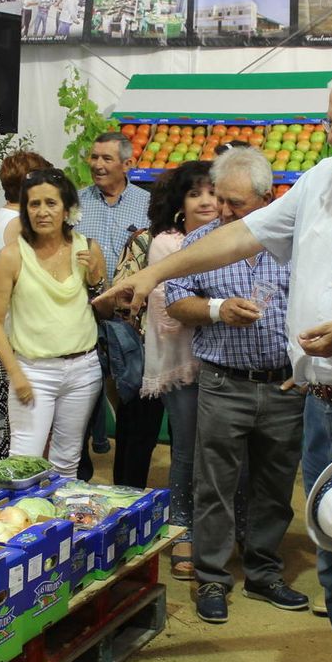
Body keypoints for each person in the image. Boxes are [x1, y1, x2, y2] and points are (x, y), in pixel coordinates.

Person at [98, 60, 332, 662]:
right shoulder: (321, 185)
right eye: (329, 122)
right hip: (321, 403)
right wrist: (153, 271)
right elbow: (237, 238)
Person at [165, 149, 306, 622]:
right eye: (220, 200)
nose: (224, 211)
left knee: (274, 483)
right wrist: (216, 309)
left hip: (284, 385)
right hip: (224, 383)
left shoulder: (296, 245)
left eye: (236, 204)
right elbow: (175, 301)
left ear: (269, 199)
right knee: (215, 485)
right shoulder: (202, 242)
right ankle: (211, 578)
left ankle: (264, 571)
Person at [0, 169, 106, 476]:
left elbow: (105, 307)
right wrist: (16, 373)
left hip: (84, 370)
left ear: (67, 209)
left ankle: (59, 522)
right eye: (34, 204)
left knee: (67, 463)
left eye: (50, 203)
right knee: (23, 464)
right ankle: (20, 523)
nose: (42, 212)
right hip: (33, 371)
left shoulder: (88, 248)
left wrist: (95, 277)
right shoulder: (13, 256)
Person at [137, 161, 217, 579]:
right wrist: (220, 307)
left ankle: (220, 530)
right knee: (186, 448)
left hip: (223, 362)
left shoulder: (229, 238)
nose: (206, 200)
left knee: (221, 451)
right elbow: (173, 313)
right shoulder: (168, 244)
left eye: (212, 192)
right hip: (183, 361)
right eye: (195, 193)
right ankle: (182, 528)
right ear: (179, 203)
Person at [76, 131, 155, 487]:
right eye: (94, 157)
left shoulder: (147, 204)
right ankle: (77, 477)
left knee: (127, 400)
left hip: (128, 323)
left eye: (106, 159)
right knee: (78, 403)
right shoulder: (76, 203)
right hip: (83, 316)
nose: (97, 165)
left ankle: (126, 485)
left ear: (127, 163)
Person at [0, 151, 47, 460]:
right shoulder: (18, 226)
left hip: (4, 333)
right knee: (18, 433)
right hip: (10, 337)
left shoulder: (3, 216)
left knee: (12, 428)